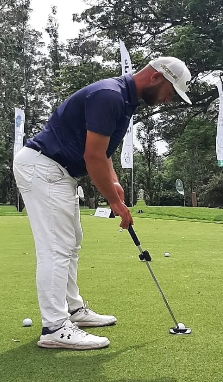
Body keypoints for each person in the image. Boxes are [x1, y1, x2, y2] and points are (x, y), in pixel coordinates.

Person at [13, 57, 192, 350]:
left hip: (57, 171)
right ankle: (54, 327)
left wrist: (115, 184)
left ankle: (73, 310)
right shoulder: (110, 96)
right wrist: (114, 203)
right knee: (56, 247)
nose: (168, 100)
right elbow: (92, 156)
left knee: (71, 243)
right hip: (44, 167)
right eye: (170, 92)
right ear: (156, 78)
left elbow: (103, 151)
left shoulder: (124, 100)